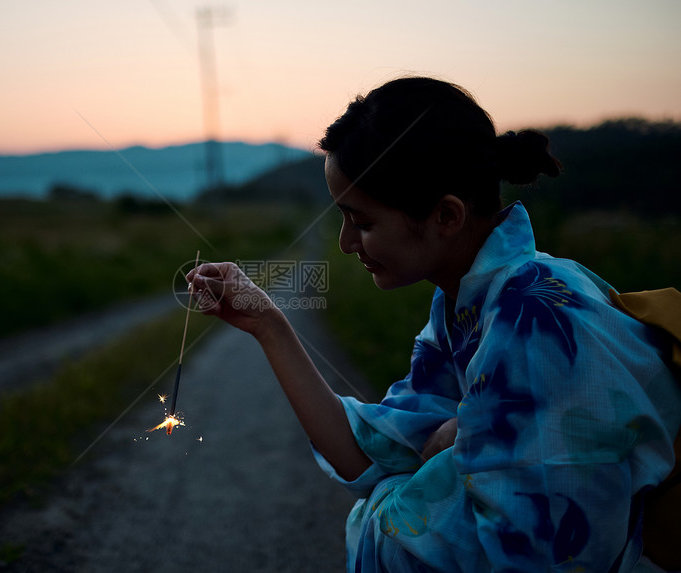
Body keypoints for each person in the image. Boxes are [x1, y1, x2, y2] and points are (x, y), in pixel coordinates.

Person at [187, 77, 681, 572]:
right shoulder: (464, 308)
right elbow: (375, 450)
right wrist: (268, 323)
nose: (344, 243)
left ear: (446, 215)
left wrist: (441, 456)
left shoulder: (537, 319)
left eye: (361, 222)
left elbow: (535, 555)